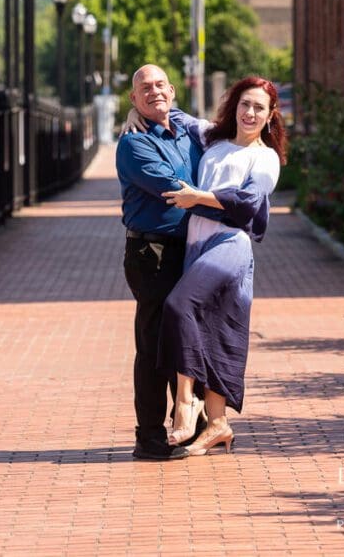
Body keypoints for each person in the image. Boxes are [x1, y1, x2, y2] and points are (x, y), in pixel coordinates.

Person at [127, 76, 286, 456]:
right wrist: (136, 109)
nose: (249, 113)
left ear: (270, 116)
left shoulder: (265, 158)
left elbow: (248, 203)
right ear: (234, 105)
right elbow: (169, 110)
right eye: (245, 104)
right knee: (213, 331)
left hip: (230, 245)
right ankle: (217, 424)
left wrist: (197, 196)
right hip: (196, 246)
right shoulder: (213, 137)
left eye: (258, 108)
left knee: (179, 306)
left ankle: (185, 402)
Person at [116, 64, 208, 461]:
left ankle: (191, 426)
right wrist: (225, 201)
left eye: (160, 86)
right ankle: (149, 436)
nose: (153, 92)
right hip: (151, 254)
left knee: (190, 340)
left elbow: (212, 127)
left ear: (172, 90)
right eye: (144, 89)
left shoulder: (187, 132)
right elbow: (174, 190)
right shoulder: (133, 143)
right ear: (133, 100)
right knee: (155, 345)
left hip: (189, 250)